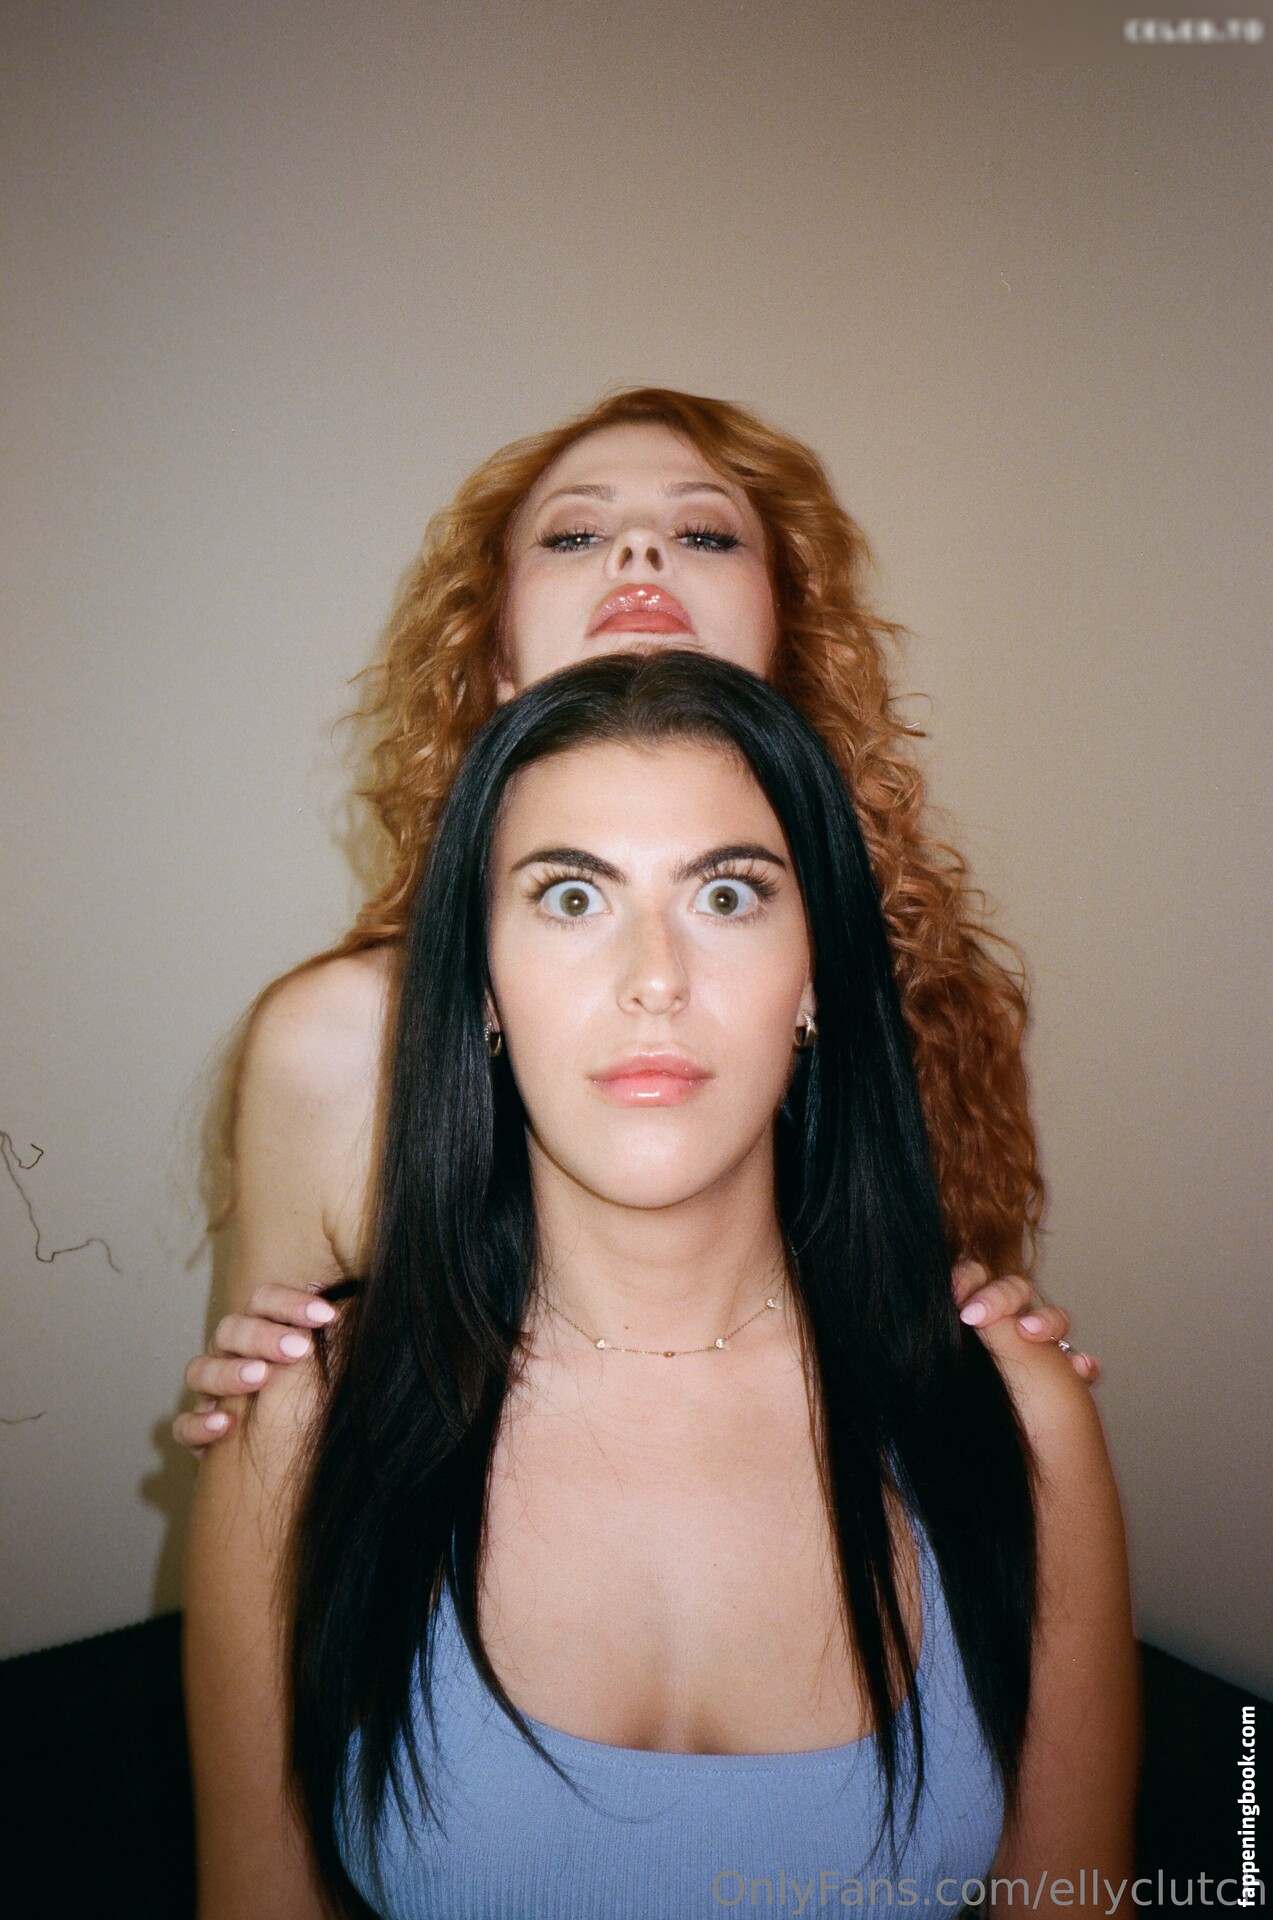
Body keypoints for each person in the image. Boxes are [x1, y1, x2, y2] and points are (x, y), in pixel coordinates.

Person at [183, 651, 1138, 1920]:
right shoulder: (299, 1427)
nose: (653, 978)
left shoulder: (1016, 1414)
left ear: (815, 976)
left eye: (727, 895)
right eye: (571, 896)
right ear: (480, 987)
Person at [174, 388, 1096, 1457]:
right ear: (496, 659)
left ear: (790, 646)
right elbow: (282, 1453)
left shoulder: (924, 1001)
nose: (641, 553)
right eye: (575, 534)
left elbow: (917, 1347)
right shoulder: (339, 1038)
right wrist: (266, 1415)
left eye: (704, 533)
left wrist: (999, 1379)